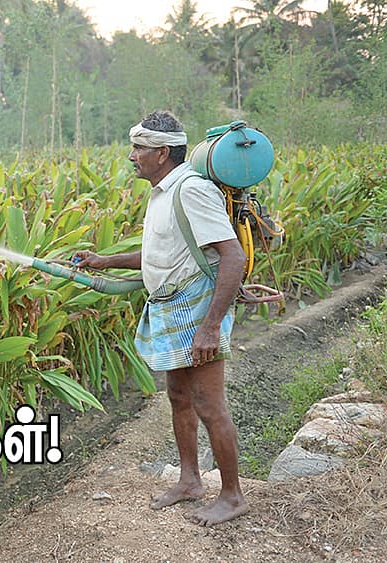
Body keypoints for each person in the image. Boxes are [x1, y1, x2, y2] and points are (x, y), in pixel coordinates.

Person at [74, 110, 249, 526]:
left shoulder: (190, 190)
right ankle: (190, 480)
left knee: (210, 404)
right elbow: (162, 253)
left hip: (195, 310)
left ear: (163, 153)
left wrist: (209, 326)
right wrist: (106, 261)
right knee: (179, 397)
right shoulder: (162, 191)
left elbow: (233, 256)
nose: (132, 155)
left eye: (140, 149)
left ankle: (233, 495)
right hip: (171, 306)